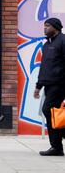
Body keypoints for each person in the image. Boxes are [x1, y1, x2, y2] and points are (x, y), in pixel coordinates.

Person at [34, 17, 65, 156]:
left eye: (48, 26)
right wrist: (38, 86)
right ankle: (57, 147)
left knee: (48, 110)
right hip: (49, 85)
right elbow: (44, 67)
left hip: (60, 84)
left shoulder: (63, 41)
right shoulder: (47, 45)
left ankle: (57, 146)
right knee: (52, 114)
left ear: (56, 28)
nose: (45, 28)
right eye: (44, 26)